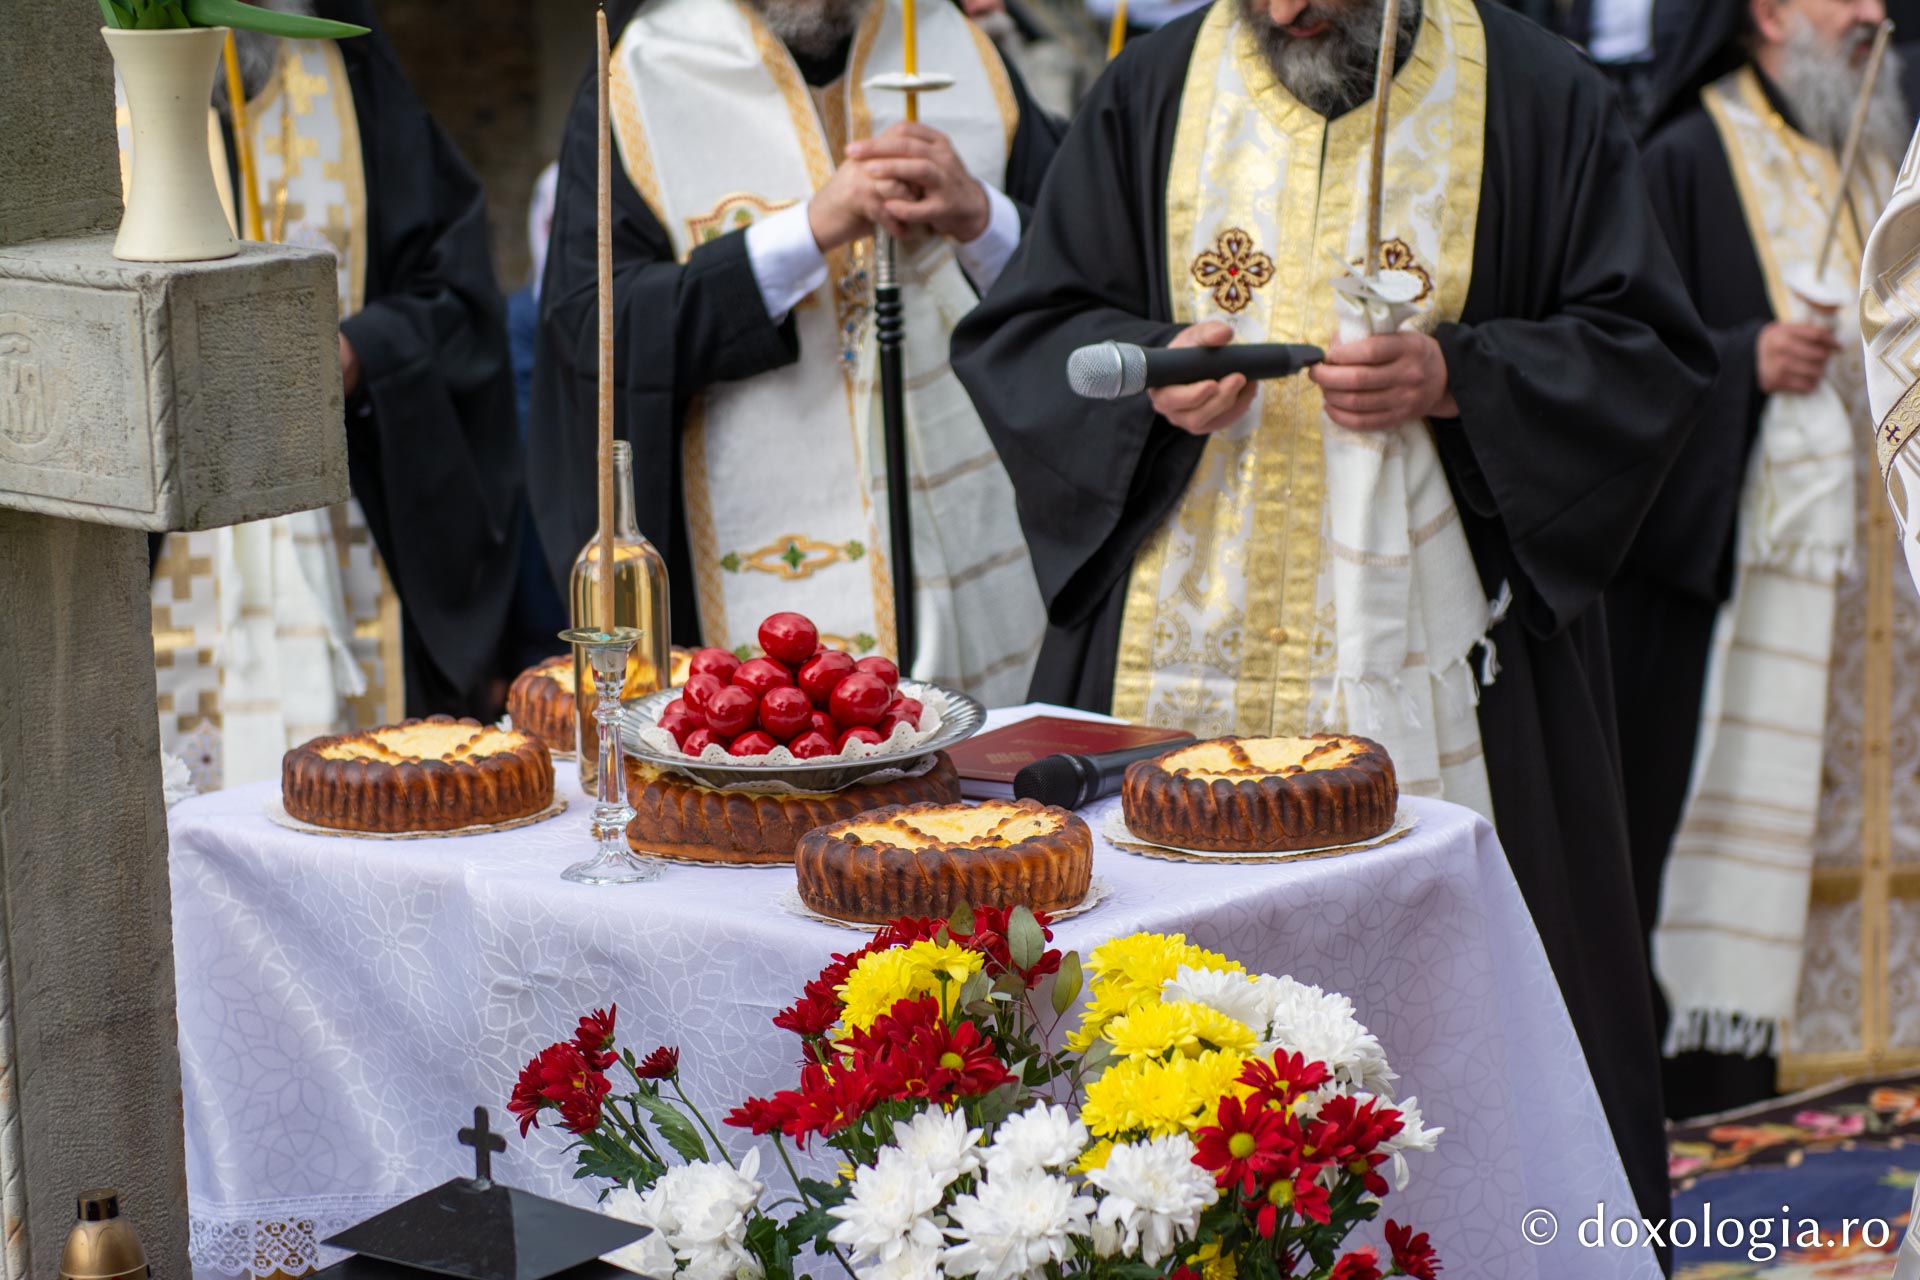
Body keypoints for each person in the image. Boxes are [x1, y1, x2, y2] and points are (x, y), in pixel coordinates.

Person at [950, 0, 1716, 1223]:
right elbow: (1030, 331)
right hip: (1174, 642)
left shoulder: (1534, 92)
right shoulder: (1152, 89)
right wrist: (1150, 378)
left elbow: (1645, 350)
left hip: (1450, 660)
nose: (1286, 11)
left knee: (1455, 1057)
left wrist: (1461, 375)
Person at [526, 0, 1060, 704]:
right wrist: (807, 233)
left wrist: (982, 218)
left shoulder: (956, 47)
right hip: (742, 571)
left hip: (972, 548)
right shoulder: (647, 74)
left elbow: (1081, 278)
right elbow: (593, 324)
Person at [1619, 0, 1912, 1118]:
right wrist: (1745, 359)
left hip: (1890, 603)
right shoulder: (1688, 157)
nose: (1876, 16)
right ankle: (1738, 1083)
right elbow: (1626, 364)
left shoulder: (1887, 159)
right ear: (1770, 11)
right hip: (1745, 593)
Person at [139, 0, 522, 786]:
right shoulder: (88, 88)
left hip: (347, 504)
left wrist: (358, 352)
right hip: (154, 529)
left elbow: (456, 296)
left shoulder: (348, 66)